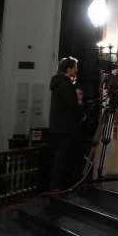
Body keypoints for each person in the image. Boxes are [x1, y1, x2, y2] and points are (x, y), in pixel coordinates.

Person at [49, 57, 83, 190]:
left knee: (61, 155)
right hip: (66, 126)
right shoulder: (66, 84)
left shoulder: (58, 83)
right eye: (75, 67)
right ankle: (59, 184)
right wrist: (81, 112)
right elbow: (72, 105)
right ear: (69, 69)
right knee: (64, 156)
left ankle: (57, 183)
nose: (77, 69)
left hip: (58, 126)